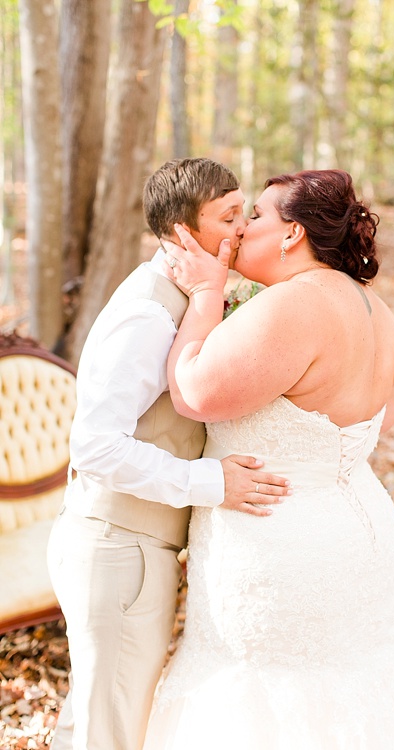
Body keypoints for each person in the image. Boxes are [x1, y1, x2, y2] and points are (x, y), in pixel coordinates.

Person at [142, 169, 394, 749]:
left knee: (277, 702)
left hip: (282, 540)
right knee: (356, 687)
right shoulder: (373, 309)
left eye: (256, 216)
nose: (241, 231)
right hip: (359, 530)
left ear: (291, 236)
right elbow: (393, 409)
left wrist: (208, 295)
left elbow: (193, 393)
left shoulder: (295, 304)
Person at [46, 158, 291, 750]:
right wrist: (212, 484)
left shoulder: (188, 299)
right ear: (184, 232)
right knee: (115, 732)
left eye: (244, 212)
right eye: (228, 216)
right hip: (117, 550)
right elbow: (96, 446)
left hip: (133, 549)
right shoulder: (148, 312)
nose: (242, 228)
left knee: (95, 720)